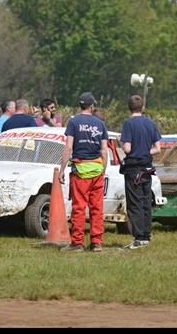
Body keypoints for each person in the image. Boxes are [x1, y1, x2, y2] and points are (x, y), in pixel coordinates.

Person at [58, 92, 109, 252]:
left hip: (80, 170)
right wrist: (103, 170)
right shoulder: (100, 124)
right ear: (92, 106)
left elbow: (68, 147)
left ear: (80, 105)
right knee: (97, 208)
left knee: (79, 207)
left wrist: (62, 169)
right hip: (96, 170)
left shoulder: (74, 122)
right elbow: (105, 151)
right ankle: (96, 243)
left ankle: (77, 243)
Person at [119, 94, 162, 250]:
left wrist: (122, 144)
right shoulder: (151, 123)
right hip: (147, 168)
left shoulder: (128, 124)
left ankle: (139, 237)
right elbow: (158, 149)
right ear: (143, 107)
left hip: (133, 169)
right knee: (145, 202)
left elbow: (127, 148)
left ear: (129, 107)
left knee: (134, 203)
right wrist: (145, 151)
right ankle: (146, 235)